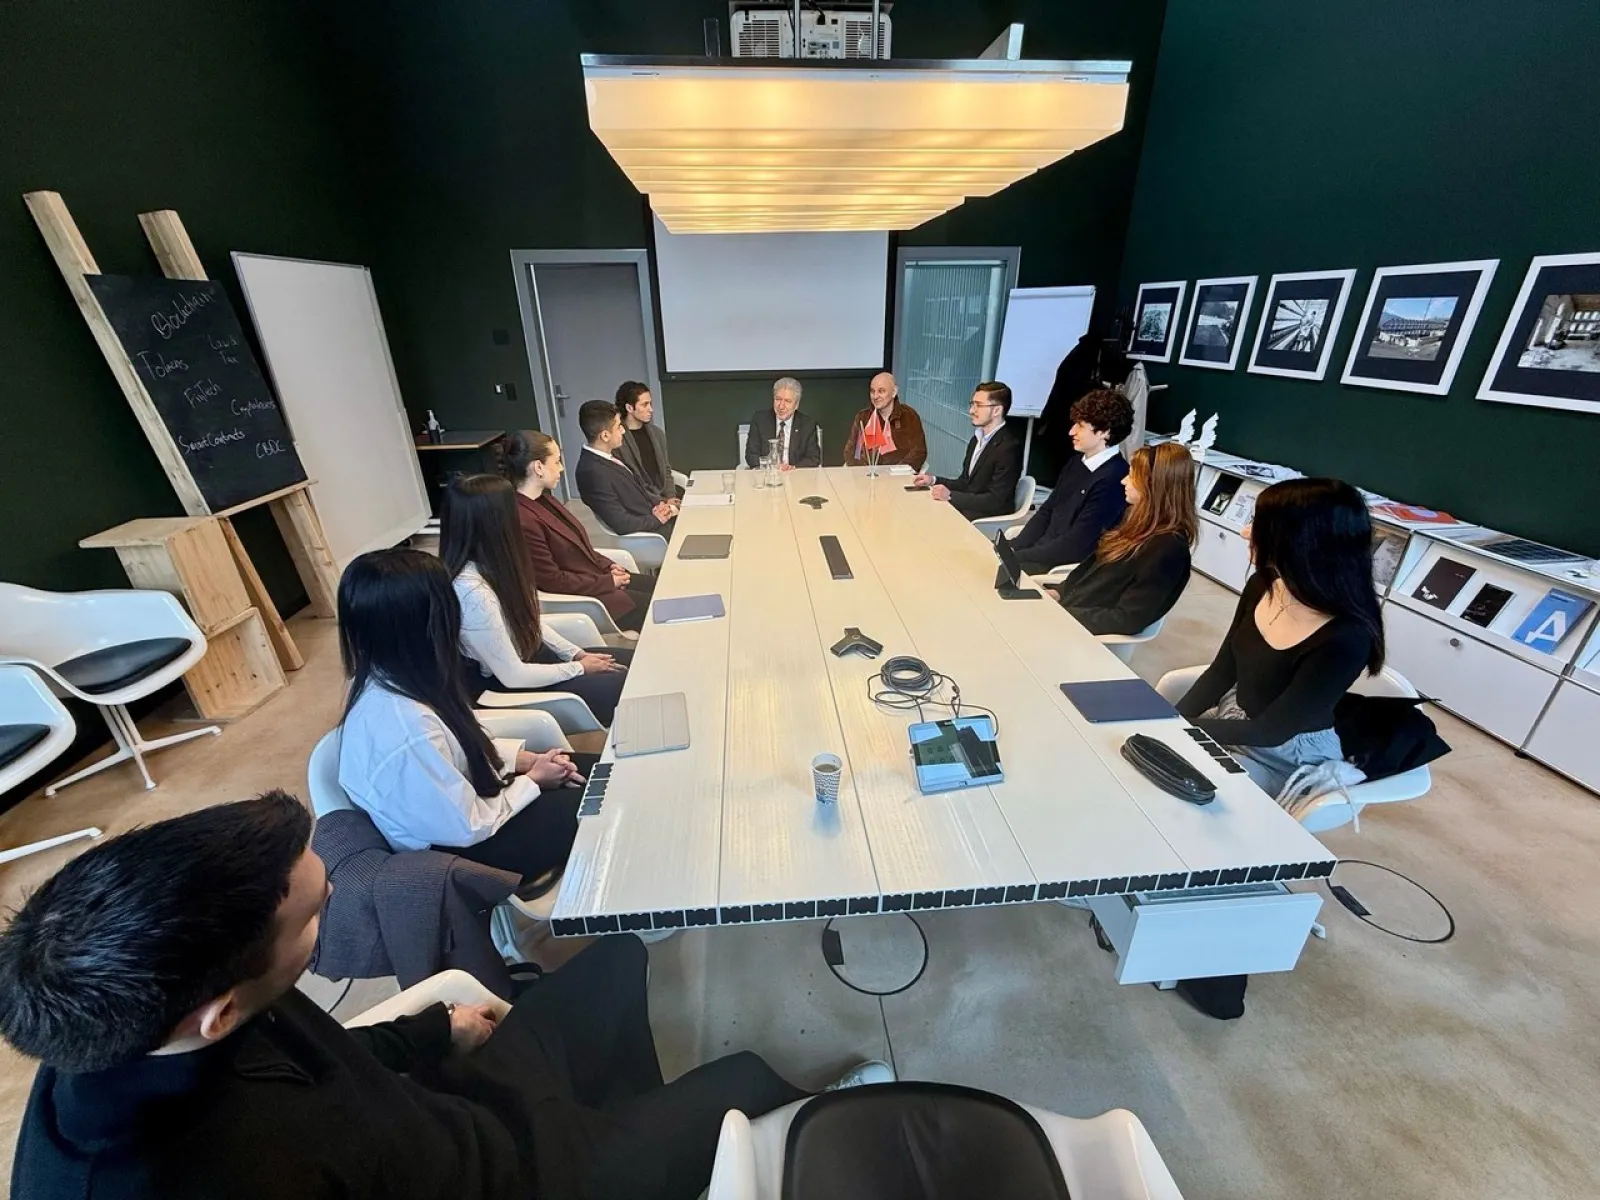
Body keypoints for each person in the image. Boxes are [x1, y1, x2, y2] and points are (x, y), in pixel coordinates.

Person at [0, 793, 893, 1200]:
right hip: (520, 1178)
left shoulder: (144, 1011)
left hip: (456, 1111)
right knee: (741, 1081)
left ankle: (639, 1126)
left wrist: (435, 1030)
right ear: (217, 1011)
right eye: (318, 915)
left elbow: (336, 1059)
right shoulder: (173, 1175)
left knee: (617, 960)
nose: (339, 904)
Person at [336, 547, 588, 881]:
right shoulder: (402, 724)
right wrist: (532, 781)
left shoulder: (394, 678)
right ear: (427, 622)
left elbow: (454, 750)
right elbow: (467, 826)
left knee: (606, 772)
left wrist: (524, 761)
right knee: (607, 803)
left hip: (474, 811)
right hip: (464, 856)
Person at [1175, 477, 1384, 802]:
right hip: (1235, 720)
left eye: (1259, 524)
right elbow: (1222, 671)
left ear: (1300, 541)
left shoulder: (1346, 638)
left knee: (1195, 797)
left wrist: (1177, 727)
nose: (1245, 531)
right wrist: (1168, 717)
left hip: (1285, 754)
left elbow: (1269, 732)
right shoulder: (1264, 584)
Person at [442, 473, 631, 727]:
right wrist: (579, 668)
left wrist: (576, 654)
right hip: (504, 687)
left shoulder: (496, 566)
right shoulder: (471, 591)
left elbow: (530, 621)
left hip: (531, 660)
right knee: (619, 682)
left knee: (631, 661)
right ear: (496, 522)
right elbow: (513, 675)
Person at [507, 429, 656, 633]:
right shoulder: (523, 519)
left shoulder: (545, 500)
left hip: (597, 580)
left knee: (662, 587)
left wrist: (609, 566)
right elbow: (553, 581)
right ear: (538, 467)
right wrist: (606, 581)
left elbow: (579, 547)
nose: (561, 468)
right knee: (659, 605)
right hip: (591, 597)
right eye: (557, 461)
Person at [1044, 442, 1197, 635]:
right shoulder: (1134, 521)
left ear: (1153, 484)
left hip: (1080, 634)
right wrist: (1058, 592)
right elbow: (1090, 572)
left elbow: (1127, 619)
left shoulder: (1168, 549)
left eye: (1132, 476)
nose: (1124, 481)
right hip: (1067, 614)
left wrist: (1062, 615)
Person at [1009, 388, 1134, 573]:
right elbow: (1047, 510)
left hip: (1059, 566)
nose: (1071, 431)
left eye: (1080, 426)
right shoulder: (1076, 462)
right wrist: (1015, 546)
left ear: (1104, 432)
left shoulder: (1115, 478)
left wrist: (1020, 556)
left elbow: (1077, 542)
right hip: (1041, 553)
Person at [912, 382, 1024, 522]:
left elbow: (995, 500)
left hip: (989, 515)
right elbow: (966, 483)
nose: (971, 410)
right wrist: (933, 480)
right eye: (972, 404)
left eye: (979, 405)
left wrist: (950, 496)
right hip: (970, 507)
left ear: (996, 411)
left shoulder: (1009, 447)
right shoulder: (976, 439)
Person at [574, 400, 678, 538]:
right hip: (652, 534)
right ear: (605, 435)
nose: (623, 430)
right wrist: (657, 519)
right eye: (618, 427)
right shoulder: (591, 473)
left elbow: (638, 489)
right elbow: (621, 523)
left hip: (653, 516)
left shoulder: (607, 457)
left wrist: (659, 504)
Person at [841, 371, 928, 468]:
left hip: (899, 476)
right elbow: (850, 453)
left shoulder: (909, 416)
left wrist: (896, 471)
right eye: (872, 391)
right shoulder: (863, 417)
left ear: (894, 392)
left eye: (881, 391)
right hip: (867, 475)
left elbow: (919, 452)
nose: (875, 396)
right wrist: (863, 472)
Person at [614, 380, 682, 501]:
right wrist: (661, 502)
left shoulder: (657, 434)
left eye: (650, 404)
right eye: (644, 405)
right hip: (640, 502)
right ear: (629, 408)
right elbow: (628, 483)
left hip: (664, 498)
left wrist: (671, 497)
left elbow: (666, 470)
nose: (651, 409)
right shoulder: (618, 439)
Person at [744, 376, 822, 469]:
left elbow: (813, 458)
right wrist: (771, 465)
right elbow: (751, 455)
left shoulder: (807, 424)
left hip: (796, 476)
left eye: (787, 401)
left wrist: (793, 468)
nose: (781, 406)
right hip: (767, 474)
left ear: (796, 404)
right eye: (778, 399)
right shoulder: (760, 420)